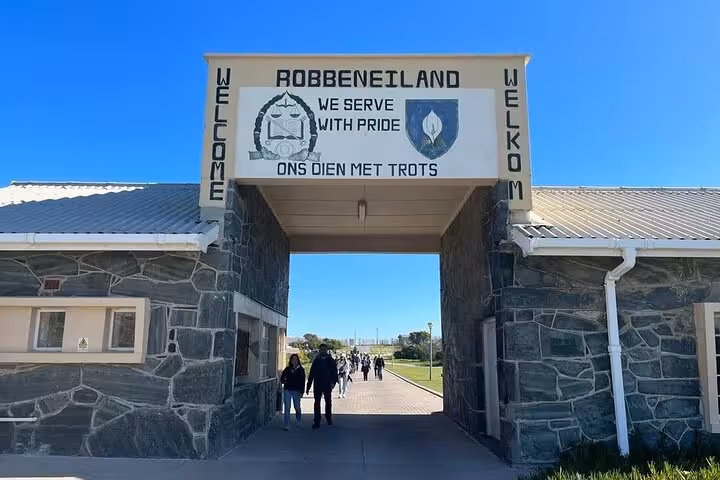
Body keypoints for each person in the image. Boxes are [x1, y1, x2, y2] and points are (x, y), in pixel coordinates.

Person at [306, 343, 338, 429]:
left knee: (328, 402)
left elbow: (335, 372)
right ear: (319, 350)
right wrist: (308, 386)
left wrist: (333, 382)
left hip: (327, 384)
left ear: (326, 350)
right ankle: (317, 421)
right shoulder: (316, 360)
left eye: (324, 349)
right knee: (317, 403)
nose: (323, 350)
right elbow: (311, 373)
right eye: (321, 349)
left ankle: (328, 417)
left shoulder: (330, 360)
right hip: (317, 384)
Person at [280, 353, 305, 430]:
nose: (294, 361)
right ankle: (286, 424)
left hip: (297, 391)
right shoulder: (287, 369)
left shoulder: (301, 370)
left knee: (297, 407)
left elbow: (303, 381)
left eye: (296, 359)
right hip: (287, 390)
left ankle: (299, 420)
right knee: (287, 408)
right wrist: (284, 380)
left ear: (298, 361)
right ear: (290, 360)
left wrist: (302, 391)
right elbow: (282, 378)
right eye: (293, 359)